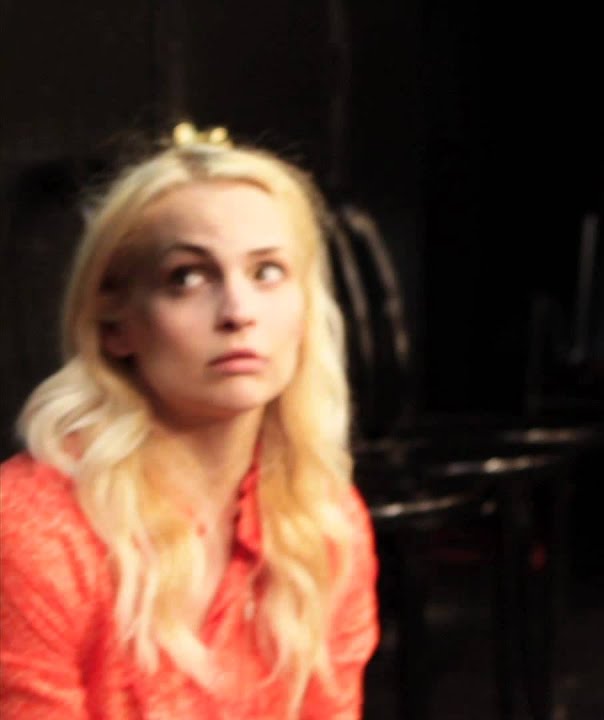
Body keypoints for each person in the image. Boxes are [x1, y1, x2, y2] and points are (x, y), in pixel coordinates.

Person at [0, 123, 379, 719]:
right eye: (188, 277)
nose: (238, 311)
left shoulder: (325, 519)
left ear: (306, 308)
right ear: (115, 326)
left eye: (267, 272)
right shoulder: (33, 530)